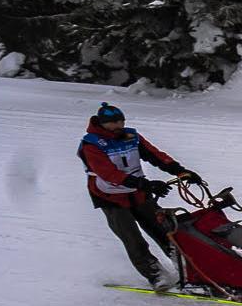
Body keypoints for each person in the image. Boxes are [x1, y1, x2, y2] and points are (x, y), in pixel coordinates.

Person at [79, 102, 202, 290]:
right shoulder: (91, 145)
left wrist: (180, 171)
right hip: (111, 198)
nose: (118, 126)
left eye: (121, 121)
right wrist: (145, 184)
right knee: (133, 239)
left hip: (138, 194)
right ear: (102, 124)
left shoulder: (131, 136)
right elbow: (108, 173)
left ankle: (190, 270)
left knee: (166, 231)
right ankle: (156, 276)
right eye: (113, 123)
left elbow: (155, 155)